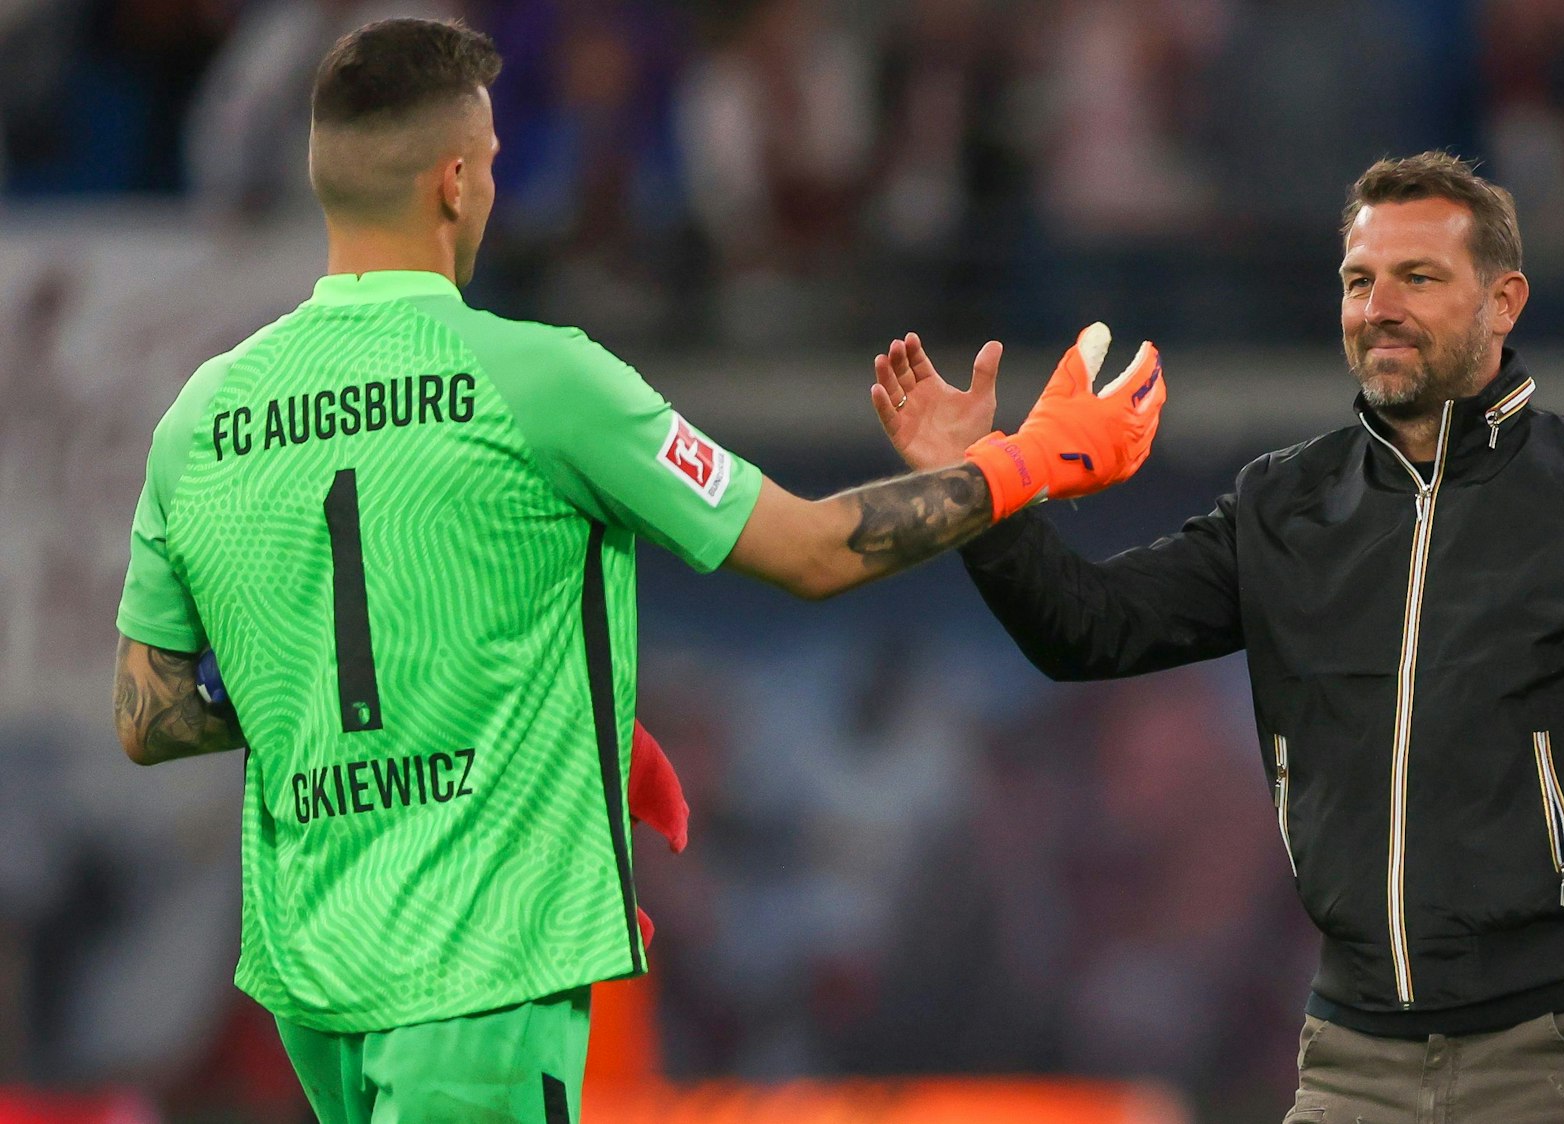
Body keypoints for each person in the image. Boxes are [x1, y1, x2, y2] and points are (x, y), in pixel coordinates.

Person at [111, 18, 1163, 1121]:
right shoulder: (542, 380)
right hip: (480, 983)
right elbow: (809, 550)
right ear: (458, 181)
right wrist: (1025, 464)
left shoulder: (202, 417)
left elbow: (152, 712)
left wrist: (549, 710)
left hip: (317, 979)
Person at [874, 151, 1564, 1124]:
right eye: (1358, 280)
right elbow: (1085, 629)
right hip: (1349, 1058)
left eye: (1418, 277)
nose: (1379, 306)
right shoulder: (1283, 502)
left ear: (1503, 302)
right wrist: (975, 489)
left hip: (1560, 1053)